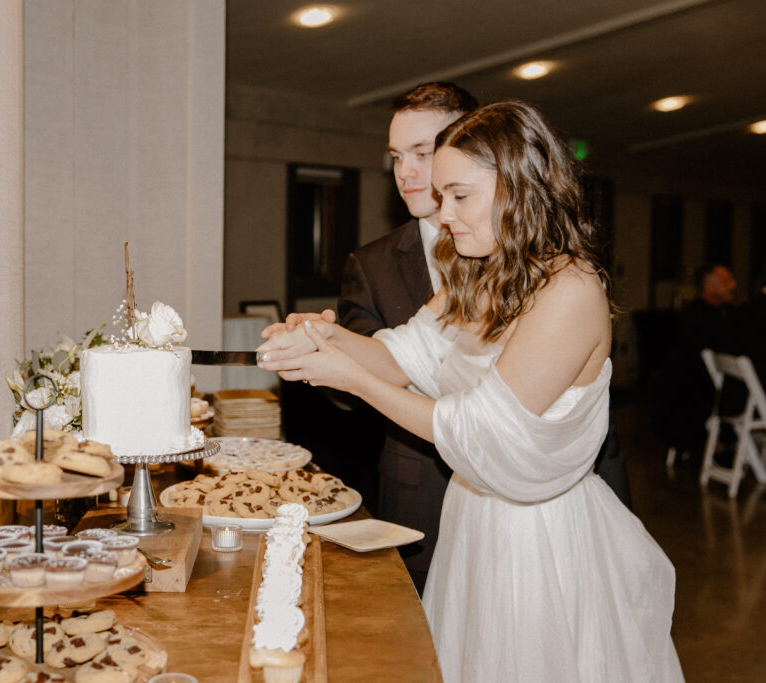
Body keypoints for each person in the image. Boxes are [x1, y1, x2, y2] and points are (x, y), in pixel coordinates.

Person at [258, 101, 683, 682]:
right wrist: (319, 336)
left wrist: (350, 377)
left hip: (541, 543)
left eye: (460, 195)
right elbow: (398, 354)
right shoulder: (481, 273)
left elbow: (480, 430)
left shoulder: (571, 289)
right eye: (441, 195)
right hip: (475, 523)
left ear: (518, 189)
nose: (443, 213)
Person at [654, 264, 738, 456]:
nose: (733, 285)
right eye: (727, 281)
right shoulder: (701, 319)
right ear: (709, 287)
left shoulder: (712, 313)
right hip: (690, 403)